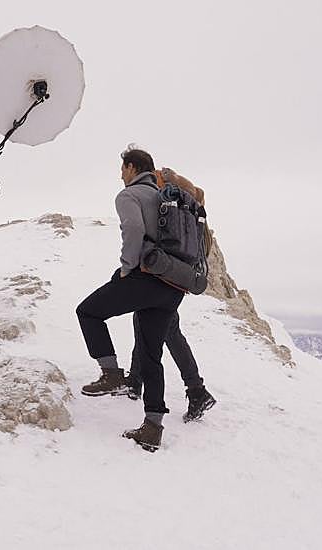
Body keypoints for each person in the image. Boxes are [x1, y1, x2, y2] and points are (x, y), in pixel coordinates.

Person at [76, 147, 185, 452]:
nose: (120, 174)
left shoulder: (129, 195)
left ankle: (111, 375)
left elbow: (134, 229)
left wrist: (126, 268)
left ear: (132, 167)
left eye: (122, 168)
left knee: (88, 312)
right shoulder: (166, 197)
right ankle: (153, 428)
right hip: (174, 285)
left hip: (147, 276)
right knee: (152, 355)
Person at [122, 167, 217, 422]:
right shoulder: (185, 200)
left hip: (165, 270)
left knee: (167, 329)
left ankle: (196, 390)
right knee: (146, 320)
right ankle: (135, 380)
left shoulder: (164, 188)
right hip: (177, 270)